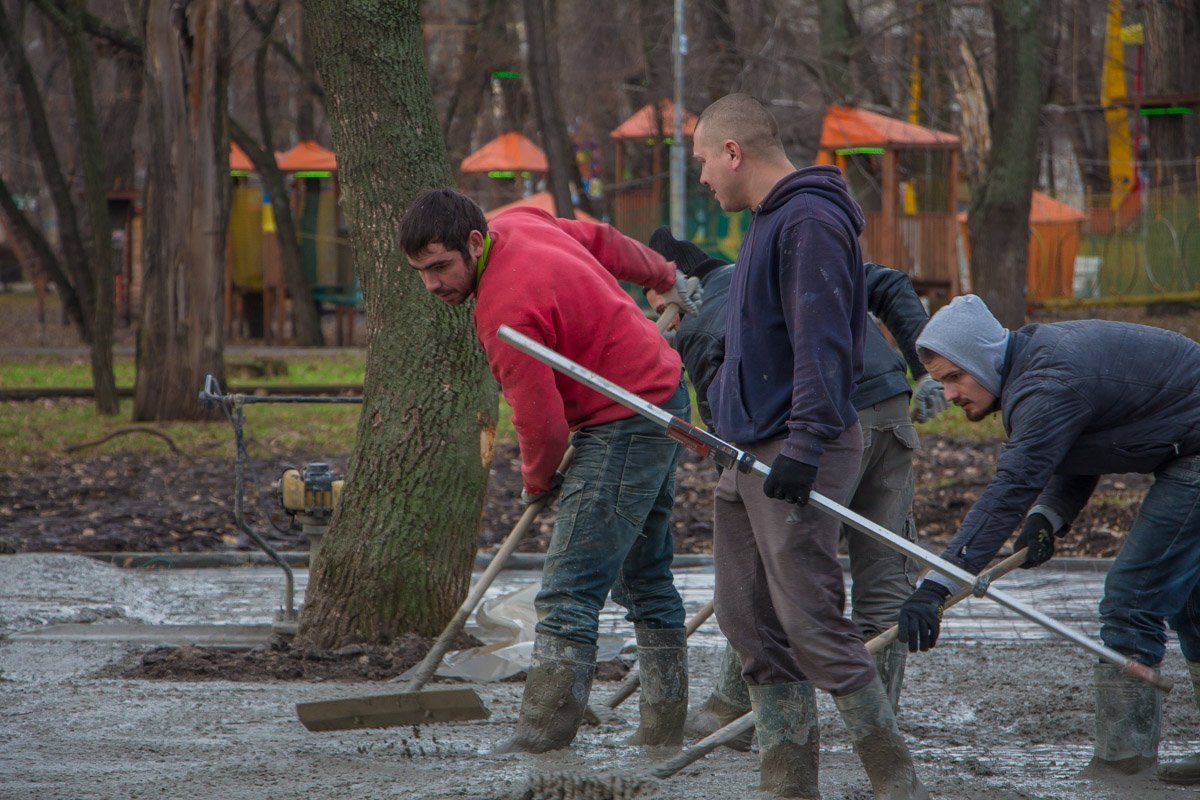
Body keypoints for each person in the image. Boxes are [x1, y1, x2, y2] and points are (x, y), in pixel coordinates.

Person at [399, 188, 699, 753]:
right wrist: (663, 274)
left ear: (473, 242)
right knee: (645, 577)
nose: (433, 284)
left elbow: (540, 422)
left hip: (623, 419)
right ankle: (663, 728)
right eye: (420, 272)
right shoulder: (521, 221)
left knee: (568, 590)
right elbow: (606, 241)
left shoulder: (502, 311)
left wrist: (538, 482)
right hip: (661, 396)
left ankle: (542, 733)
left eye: (440, 267)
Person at [689, 93, 929, 800]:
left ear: (733, 152)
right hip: (744, 450)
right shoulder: (766, 221)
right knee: (747, 618)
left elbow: (823, 341)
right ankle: (788, 783)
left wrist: (805, 440)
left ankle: (894, 779)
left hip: (796, 447)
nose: (701, 176)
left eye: (703, 160)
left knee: (812, 618)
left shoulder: (811, 219)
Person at [647, 228, 947, 751]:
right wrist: (927, 370)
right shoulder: (778, 267)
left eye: (653, 298)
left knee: (763, 566)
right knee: (884, 573)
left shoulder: (700, 319)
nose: (656, 315)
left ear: (679, 281)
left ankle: (732, 711)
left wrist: (742, 491)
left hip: (818, 427)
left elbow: (726, 431)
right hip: (890, 408)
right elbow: (892, 284)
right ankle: (876, 730)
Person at [896, 294, 1200, 785]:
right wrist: (1048, 517)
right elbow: (1084, 446)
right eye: (940, 382)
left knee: (1133, 595)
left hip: (1194, 456)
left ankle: (1124, 766)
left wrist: (936, 587)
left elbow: (1008, 491)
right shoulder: (1034, 367)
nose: (949, 394)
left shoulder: (1046, 384)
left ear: (983, 358)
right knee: (1187, 597)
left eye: (955, 377)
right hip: (1185, 446)